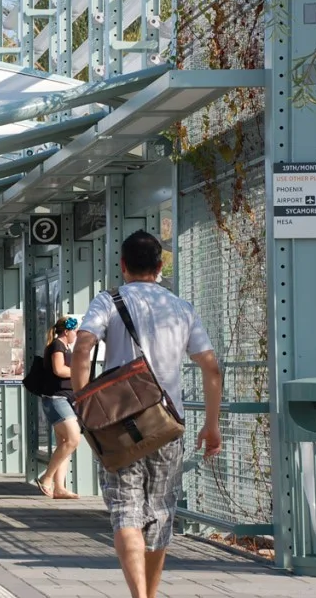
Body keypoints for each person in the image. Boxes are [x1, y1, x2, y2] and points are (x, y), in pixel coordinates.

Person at [71, 230, 222, 598]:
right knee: (160, 514)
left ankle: (139, 595)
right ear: (159, 266)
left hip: (117, 426)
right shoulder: (181, 308)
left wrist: (84, 403)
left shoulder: (108, 301)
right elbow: (210, 367)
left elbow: (83, 346)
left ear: (123, 265)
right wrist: (211, 424)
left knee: (125, 511)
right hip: (166, 426)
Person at [36, 316, 82, 499]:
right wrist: (79, 372)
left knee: (65, 443)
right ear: (67, 331)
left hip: (64, 399)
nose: (76, 335)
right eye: (75, 331)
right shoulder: (57, 345)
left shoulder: (64, 347)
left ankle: (60, 487)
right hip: (57, 399)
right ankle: (46, 478)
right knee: (73, 439)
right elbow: (59, 369)